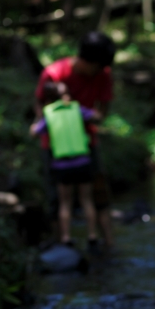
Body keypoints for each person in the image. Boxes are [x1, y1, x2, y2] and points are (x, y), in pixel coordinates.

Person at [35, 31, 116, 247]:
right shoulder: (54, 74)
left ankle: (107, 244)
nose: (100, 71)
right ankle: (61, 246)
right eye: (98, 66)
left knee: (98, 195)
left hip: (88, 145)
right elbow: (40, 106)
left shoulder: (103, 74)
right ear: (87, 60)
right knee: (57, 198)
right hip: (54, 148)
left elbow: (103, 110)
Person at [31, 82, 100, 249]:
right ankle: (92, 235)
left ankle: (66, 237)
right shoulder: (76, 108)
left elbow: (34, 132)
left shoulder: (49, 113)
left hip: (62, 165)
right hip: (82, 161)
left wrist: (38, 115)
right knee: (86, 200)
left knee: (65, 203)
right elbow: (96, 116)